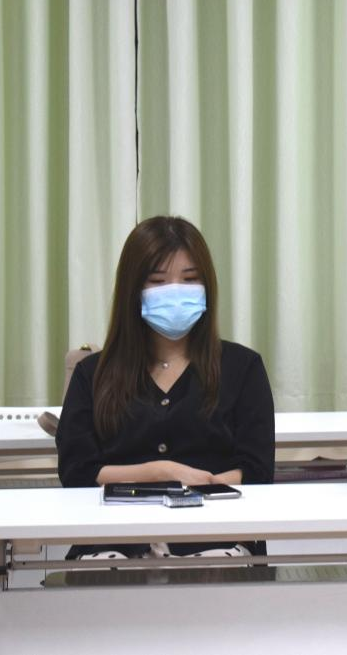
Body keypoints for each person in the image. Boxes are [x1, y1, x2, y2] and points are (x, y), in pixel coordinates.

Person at [56, 216, 275, 561]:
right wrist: (164, 473)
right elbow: (77, 471)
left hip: (215, 535)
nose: (175, 291)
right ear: (133, 290)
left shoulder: (243, 367)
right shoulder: (92, 374)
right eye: (158, 281)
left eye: (189, 279)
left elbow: (257, 471)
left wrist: (199, 490)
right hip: (113, 538)